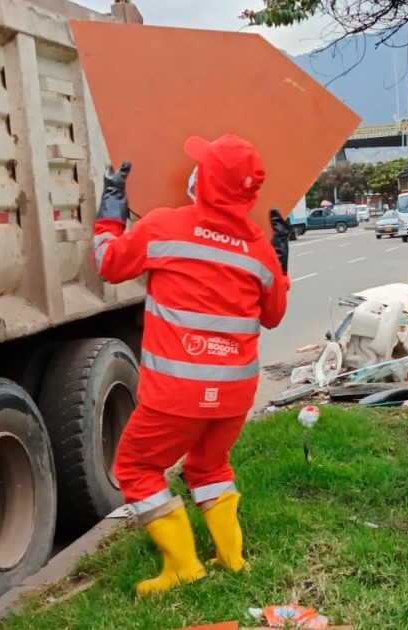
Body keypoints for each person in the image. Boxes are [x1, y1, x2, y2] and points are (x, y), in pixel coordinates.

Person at [91, 134, 290, 596]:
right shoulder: (258, 248)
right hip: (235, 395)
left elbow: (109, 264)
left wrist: (110, 215)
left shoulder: (165, 228)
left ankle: (183, 565)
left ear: (204, 182)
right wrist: (279, 264)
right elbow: (274, 316)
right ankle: (233, 558)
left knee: (138, 468)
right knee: (209, 463)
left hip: (175, 394)